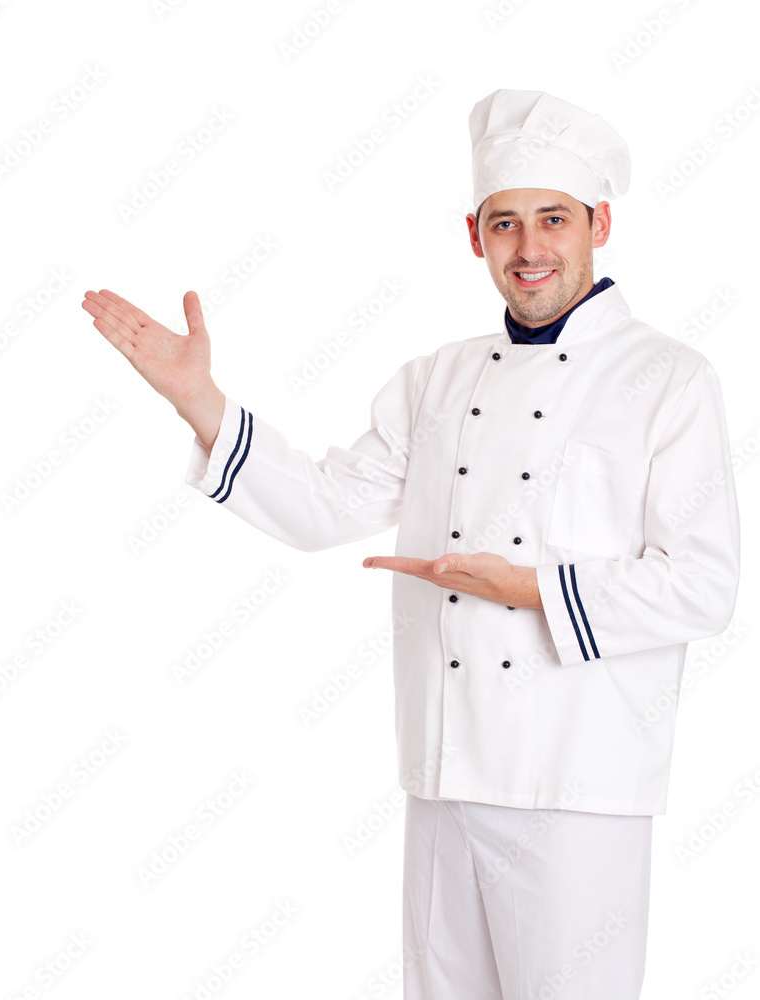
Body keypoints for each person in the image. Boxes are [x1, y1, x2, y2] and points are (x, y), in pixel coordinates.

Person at [81, 88, 740, 1000]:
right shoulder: (438, 378)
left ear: (599, 224)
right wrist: (198, 399)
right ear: (475, 237)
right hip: (441, 772)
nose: (529, 247)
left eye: (552, 219)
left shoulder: (668, 378)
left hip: (578, 788)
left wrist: (529, 588)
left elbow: (703, 585)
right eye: (503, 223)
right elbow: (320, 506)